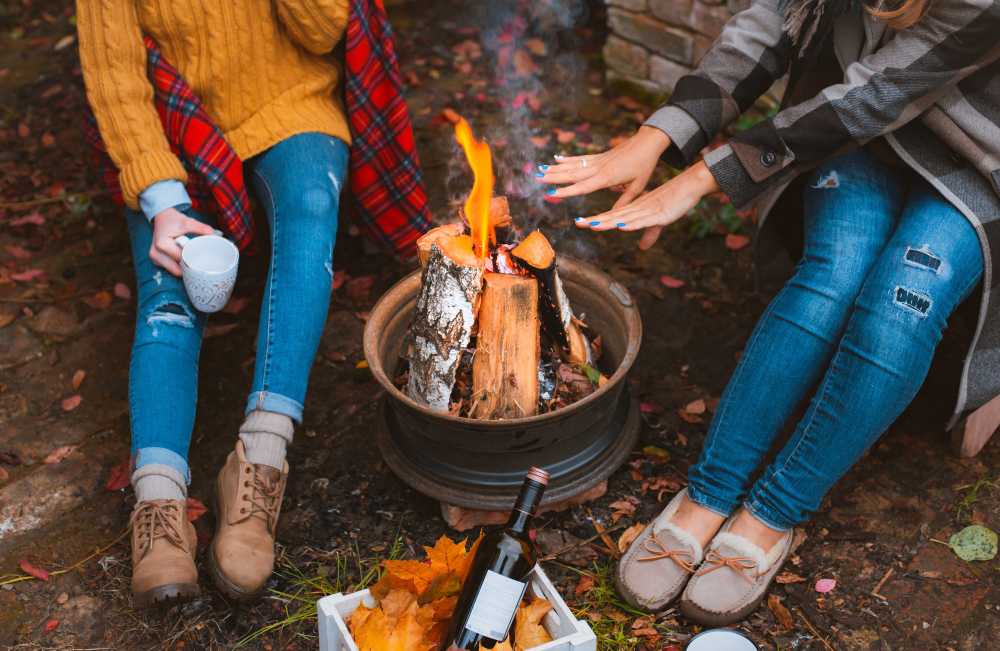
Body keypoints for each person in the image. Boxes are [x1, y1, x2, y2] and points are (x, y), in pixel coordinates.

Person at [537, 0, 1000, 626]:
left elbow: (875, 93)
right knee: (832, 278)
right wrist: (657, 136)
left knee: (900, 305)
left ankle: (774, 514)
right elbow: (766, 27)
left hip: (972, 160)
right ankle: (709, 494)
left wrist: (700, 178)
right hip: (859, 140)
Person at [77, 0, 428, 609]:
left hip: (289, 105)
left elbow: (322, 32)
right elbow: (115, 81)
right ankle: (159, 502)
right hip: (172, 131)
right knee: (169, 292)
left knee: (310, 218)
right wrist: (161, 201)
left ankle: (260, 460)